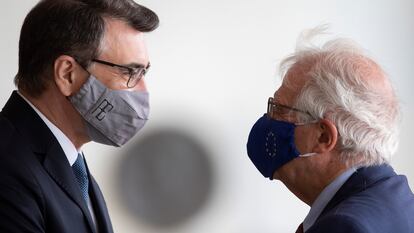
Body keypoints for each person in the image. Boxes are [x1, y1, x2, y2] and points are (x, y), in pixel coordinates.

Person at [0, 0, 158, 232]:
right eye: (130, 72)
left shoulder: (72, 164)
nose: (143, 90)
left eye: (143, 72)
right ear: (67, 74)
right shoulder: (7, 167)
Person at [246, 29, 414, 233]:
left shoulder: (344, 227)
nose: (269, 119)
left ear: (323, 136)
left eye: (279, 110)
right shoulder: (399, 199)